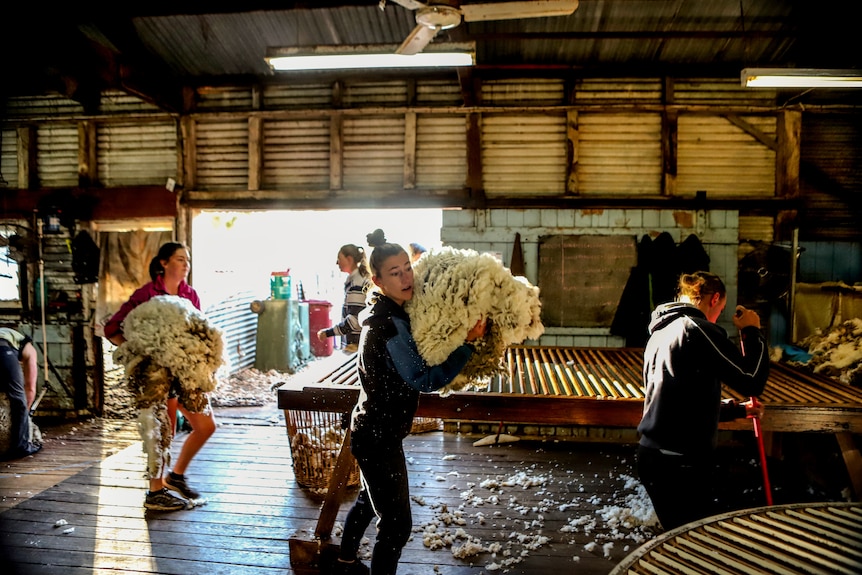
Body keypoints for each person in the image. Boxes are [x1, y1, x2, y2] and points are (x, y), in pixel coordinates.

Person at [335, 229, 486, 575]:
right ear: (377, 280)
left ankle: (344, 559)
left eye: (407, 267)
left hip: (373, 428)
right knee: (397, 524)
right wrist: (466, 343)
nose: (406, 277)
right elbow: (425, 379)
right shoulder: (387, 326)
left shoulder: (393, 313)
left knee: (370, 500)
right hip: (377, 436)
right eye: (395, 272)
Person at [637, 271, 770, 531]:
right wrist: (753, 331)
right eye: (720, 310)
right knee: (694, 544)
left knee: (681, 539)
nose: (718, 317)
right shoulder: (696, 328)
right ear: (715, 299)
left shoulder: (660, 333)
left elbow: (680, 399)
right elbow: (751, 379)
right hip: (680, 464)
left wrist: (736, 411)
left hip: (655, 457)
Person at [104, 242, 217, 512]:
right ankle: (155, 492)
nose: (186, 264)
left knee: (206, 425)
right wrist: (135, 354)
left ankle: (175, 477)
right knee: (161, 429)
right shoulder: (147, 294)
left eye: (187, 259)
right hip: (156, 373)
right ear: (164, 263)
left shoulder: (190, 295)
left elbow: (199, 332)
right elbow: (111, 328)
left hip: (184, 371)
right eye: (180, 259)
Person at [317, 244, 371, 353]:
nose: (337, 263)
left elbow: (355, 321)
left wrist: (328, 333)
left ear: (349, 259)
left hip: (358, 345)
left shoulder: (357, 282)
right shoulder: (356, 279)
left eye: (339, 259)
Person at [0, 327, 41, 460]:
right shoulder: (30, 349)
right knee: (18, 399)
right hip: (2, 349)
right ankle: (20, 446)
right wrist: (26, 412)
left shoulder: (9, 336)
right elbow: (30, 388)